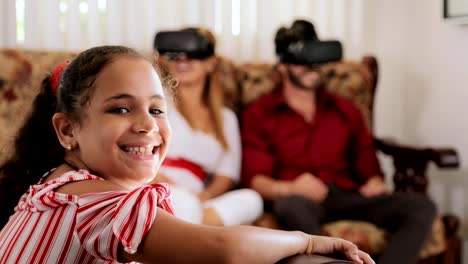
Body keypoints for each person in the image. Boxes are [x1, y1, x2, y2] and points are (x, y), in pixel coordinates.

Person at [0, 45, 374, 263]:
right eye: (120, 108)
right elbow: (225, 248)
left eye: (157, 110)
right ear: (68, 130)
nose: (148, 125)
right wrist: (308, 241)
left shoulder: (59, 185)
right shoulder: (91, 201)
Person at [241, 19, 436, 264]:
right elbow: (255, 179)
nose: (311, 67)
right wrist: (292, 188)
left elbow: (368, 166)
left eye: (315, 58)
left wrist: (375, 181)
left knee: (421, 206)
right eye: (302, 61)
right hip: (301, 200)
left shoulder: (346, 110)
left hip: (347, 194)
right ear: (282, 66)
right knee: (291, 207)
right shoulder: (259, 114)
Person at [153, 28, 263, 226]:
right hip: (156, 186)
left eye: (194, 55)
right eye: (176, 54)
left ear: (212, 62)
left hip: (199, 199)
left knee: (252, 199)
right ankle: (195, 232)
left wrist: (202, 198)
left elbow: (226, 175)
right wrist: (158, 180)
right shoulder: (158, 103)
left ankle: (190, 227)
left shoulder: (226, 118)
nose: (183, 61)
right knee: (183, 204)